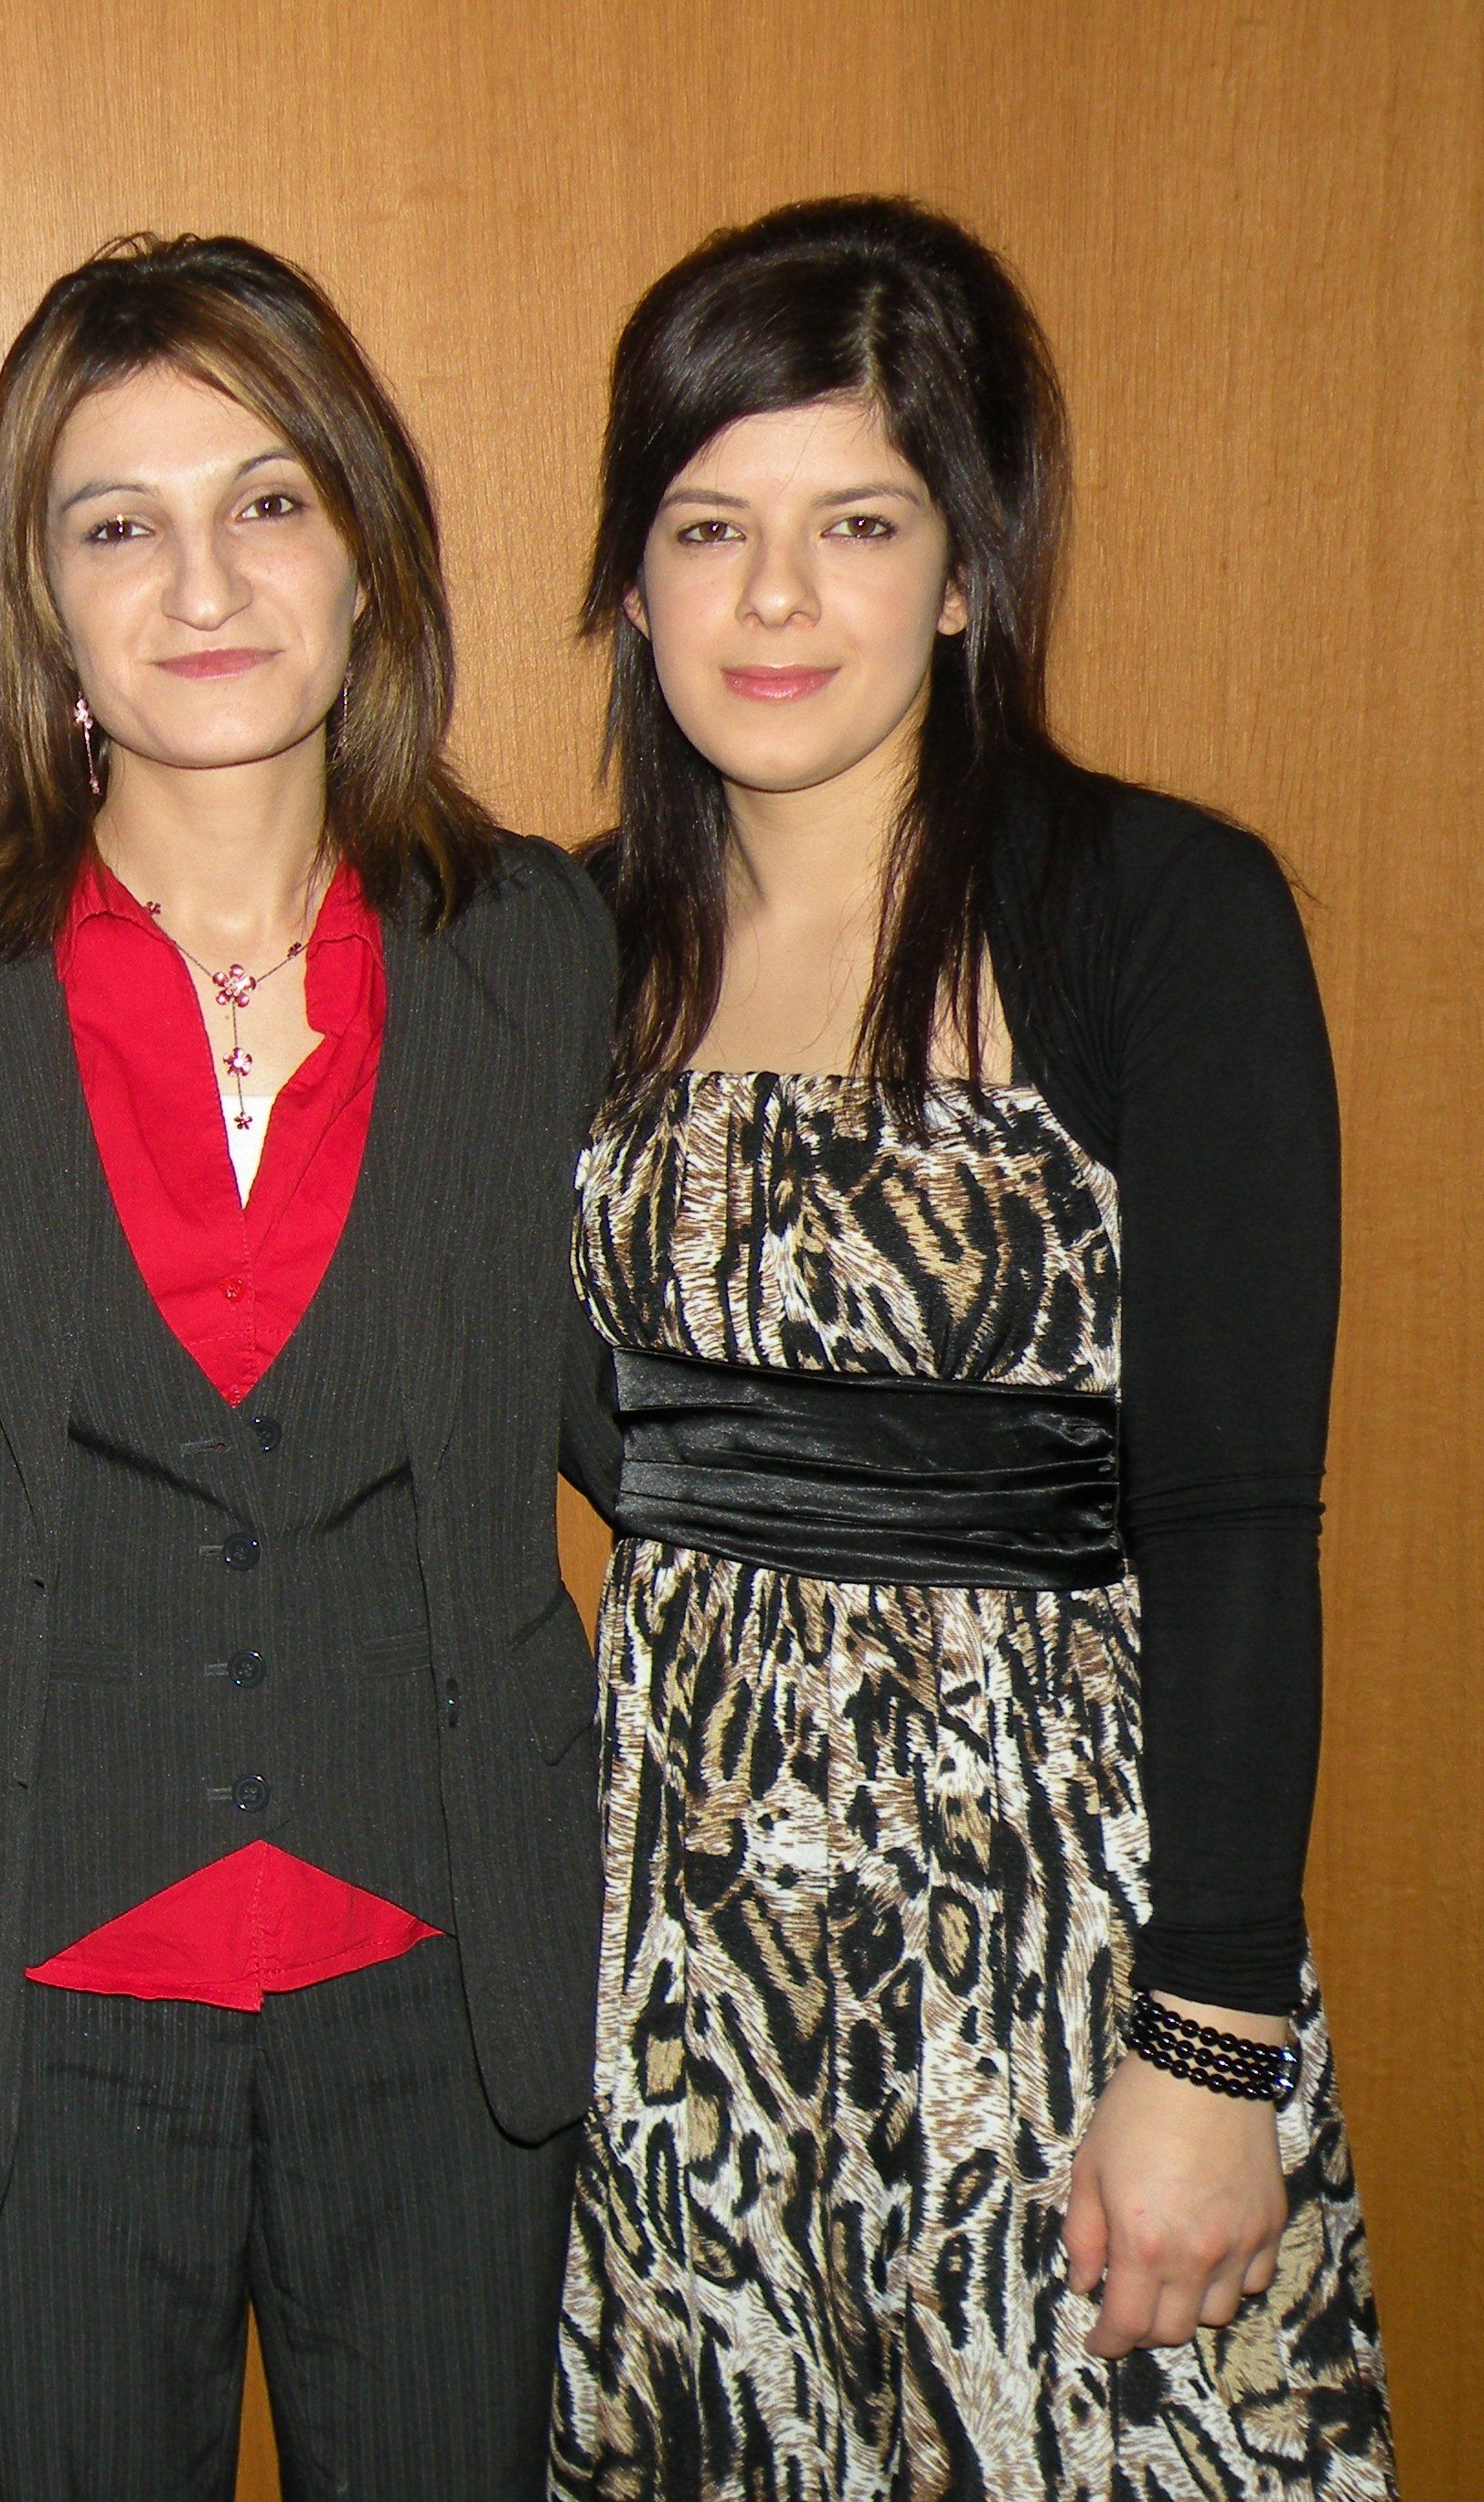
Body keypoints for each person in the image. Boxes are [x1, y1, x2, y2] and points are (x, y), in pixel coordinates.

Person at [0, 233, 619, 2500]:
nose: (204, 583)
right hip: (38, 1993)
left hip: (453, 1982)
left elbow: (647, 1427)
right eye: (118, 523)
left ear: (368, 548)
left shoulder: (544, 950)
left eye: (268, 501)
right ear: (37, 599)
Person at [554, 194, 1395, 2497]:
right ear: (631, 581)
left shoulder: (1159, 911)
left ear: (962, 568)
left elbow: (1239, 1512)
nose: (775, 598)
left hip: (1066, 1942)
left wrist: (1213, 2033)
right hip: (681, 1968)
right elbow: (591, 1433)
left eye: (855, 522)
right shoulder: (566, 948)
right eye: (707, 527)